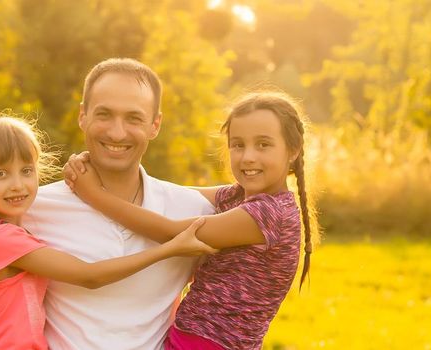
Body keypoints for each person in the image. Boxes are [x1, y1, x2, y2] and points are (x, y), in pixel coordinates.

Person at [64, 91, 318, 349]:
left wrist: (93, 194)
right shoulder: (238, 196)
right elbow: (173, 193)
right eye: (238, 145)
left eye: (263, 144)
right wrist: (112, 172)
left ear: (293, 150)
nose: (248, 156)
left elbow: (172, 232)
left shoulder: (269, 213)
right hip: (191, 338)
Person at [0, 115, 215, 350]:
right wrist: (171, 248)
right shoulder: (2, 240)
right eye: (1, 174)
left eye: (27, 171)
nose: (17, 185)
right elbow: (89, 276)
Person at [20, 58, 217, 349]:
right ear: (82, 116)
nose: (116, 132)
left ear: (155, 125)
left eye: (134, 118)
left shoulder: (193, 210)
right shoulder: (33, 209)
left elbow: (262, 203)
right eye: (104, 115)